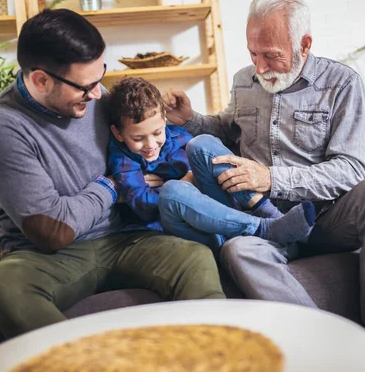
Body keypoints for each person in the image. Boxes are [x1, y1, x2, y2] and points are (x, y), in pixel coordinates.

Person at [163, 0, 365, 372]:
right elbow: (230, 129)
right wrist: (192, 119)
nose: (260, 66)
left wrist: (273, 176)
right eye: (253, 54)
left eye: (271, 55)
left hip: (327, 215)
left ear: (304, 45)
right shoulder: (245, 80)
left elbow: (351, 169)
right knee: (239, 249)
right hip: (267, 221)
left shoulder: (341, 83)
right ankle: (328, 349)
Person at [0, 8, 226, 340]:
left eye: (100, 76)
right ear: (40, 79)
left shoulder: (95, 95)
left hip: (127, 236)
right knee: (3, 286)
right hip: (53, 257)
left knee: (194, 256)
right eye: (85, 86)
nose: (97, 94)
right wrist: (112, 186)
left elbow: (153, 140)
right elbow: (53, 230)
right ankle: (86, 370)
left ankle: (217, 360)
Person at [104, 77, 316, 252]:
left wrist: (192, 174)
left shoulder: (175, 135)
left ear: (164, 119)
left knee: (202, 143)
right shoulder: (122, 159)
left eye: (157, 132)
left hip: (221, 209)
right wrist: (187, 182)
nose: (150, 145)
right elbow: (144, 205)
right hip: (182, 223)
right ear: (118, 133)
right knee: (173, 190)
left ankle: (272, 216)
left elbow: (205, 162)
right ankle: (265, 229)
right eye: (138, 138)